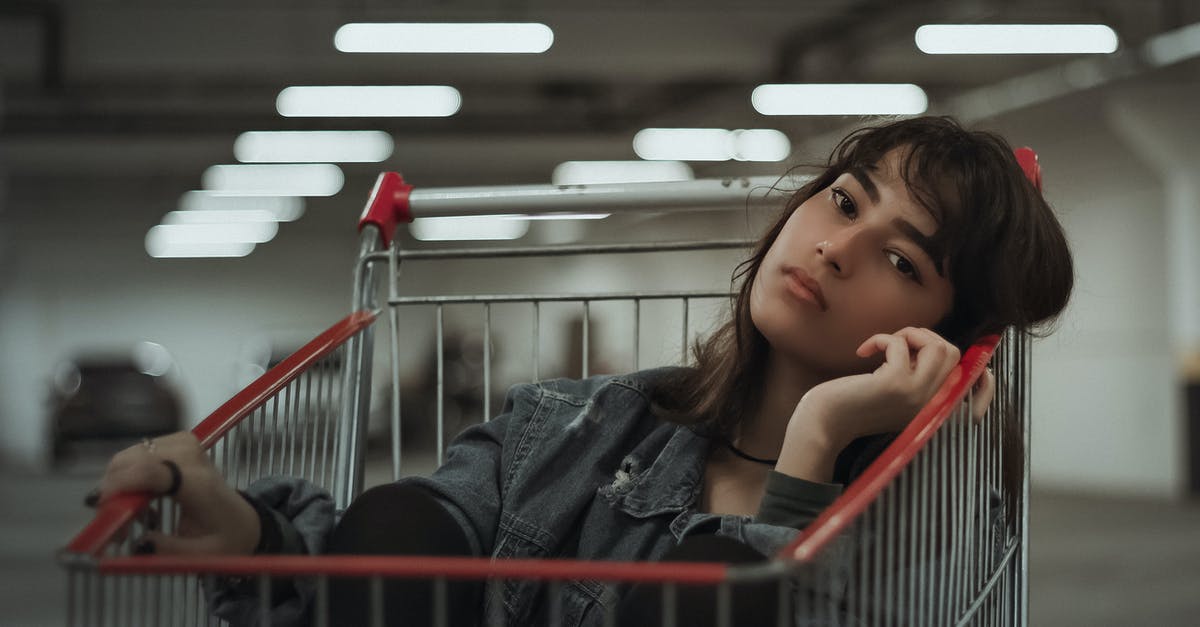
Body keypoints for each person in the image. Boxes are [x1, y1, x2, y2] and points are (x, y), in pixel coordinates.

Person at [88, 116, 1074, 626]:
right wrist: (255, 539)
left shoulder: (923, 521)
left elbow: (741, 603)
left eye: (902, 262)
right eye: (843, 202)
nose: (835, 249)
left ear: (946, 338)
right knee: (394, 521)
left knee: (713, 594)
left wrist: (816, 437)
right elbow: (382, 577)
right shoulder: (575, 422)